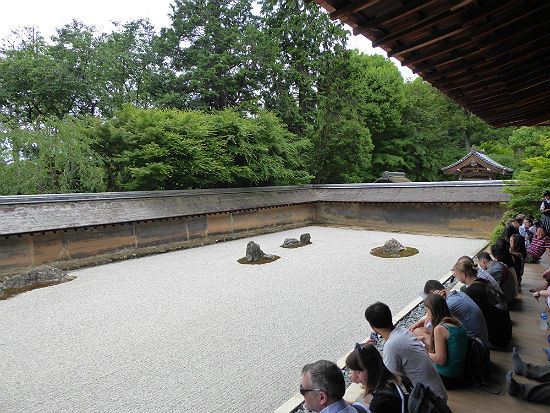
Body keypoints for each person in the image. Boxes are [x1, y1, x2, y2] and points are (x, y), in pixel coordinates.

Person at [364, 302, 447, 401]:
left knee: (370, 399)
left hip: (431, 403)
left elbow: (388, 380)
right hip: (439, 394)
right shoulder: (403, 332)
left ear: (371, 325)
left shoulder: (391, 345)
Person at [452, 256, 512, 348]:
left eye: (457, 276)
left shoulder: (472, 292)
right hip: (505, 332)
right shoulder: (483, 282)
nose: (457, 279)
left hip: (497, 340)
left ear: (463, 275)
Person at [409, 280, 489, 348]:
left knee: (417, 333)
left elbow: (428, 328)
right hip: (480, 340)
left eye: (428, 298)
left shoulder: (448, 305)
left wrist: (431, 311)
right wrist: (420, 322)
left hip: (473, 347)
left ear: (433, 293)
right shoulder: (457, 294)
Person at [345, 343, 409, 413]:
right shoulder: (398, 377)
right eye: (353, 371)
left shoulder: (380, 400)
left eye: (358, 371)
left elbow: (375, 407)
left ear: (372, 370)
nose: (353, 376)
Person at [423, 294, 468, 387]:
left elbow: (440, 360)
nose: (428, 316)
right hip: (460, 372)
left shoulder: (440, 329)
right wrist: (424, 340)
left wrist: (424, 352)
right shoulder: (454, 321)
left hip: (447, 377)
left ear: (433, 311)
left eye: (427, 312)